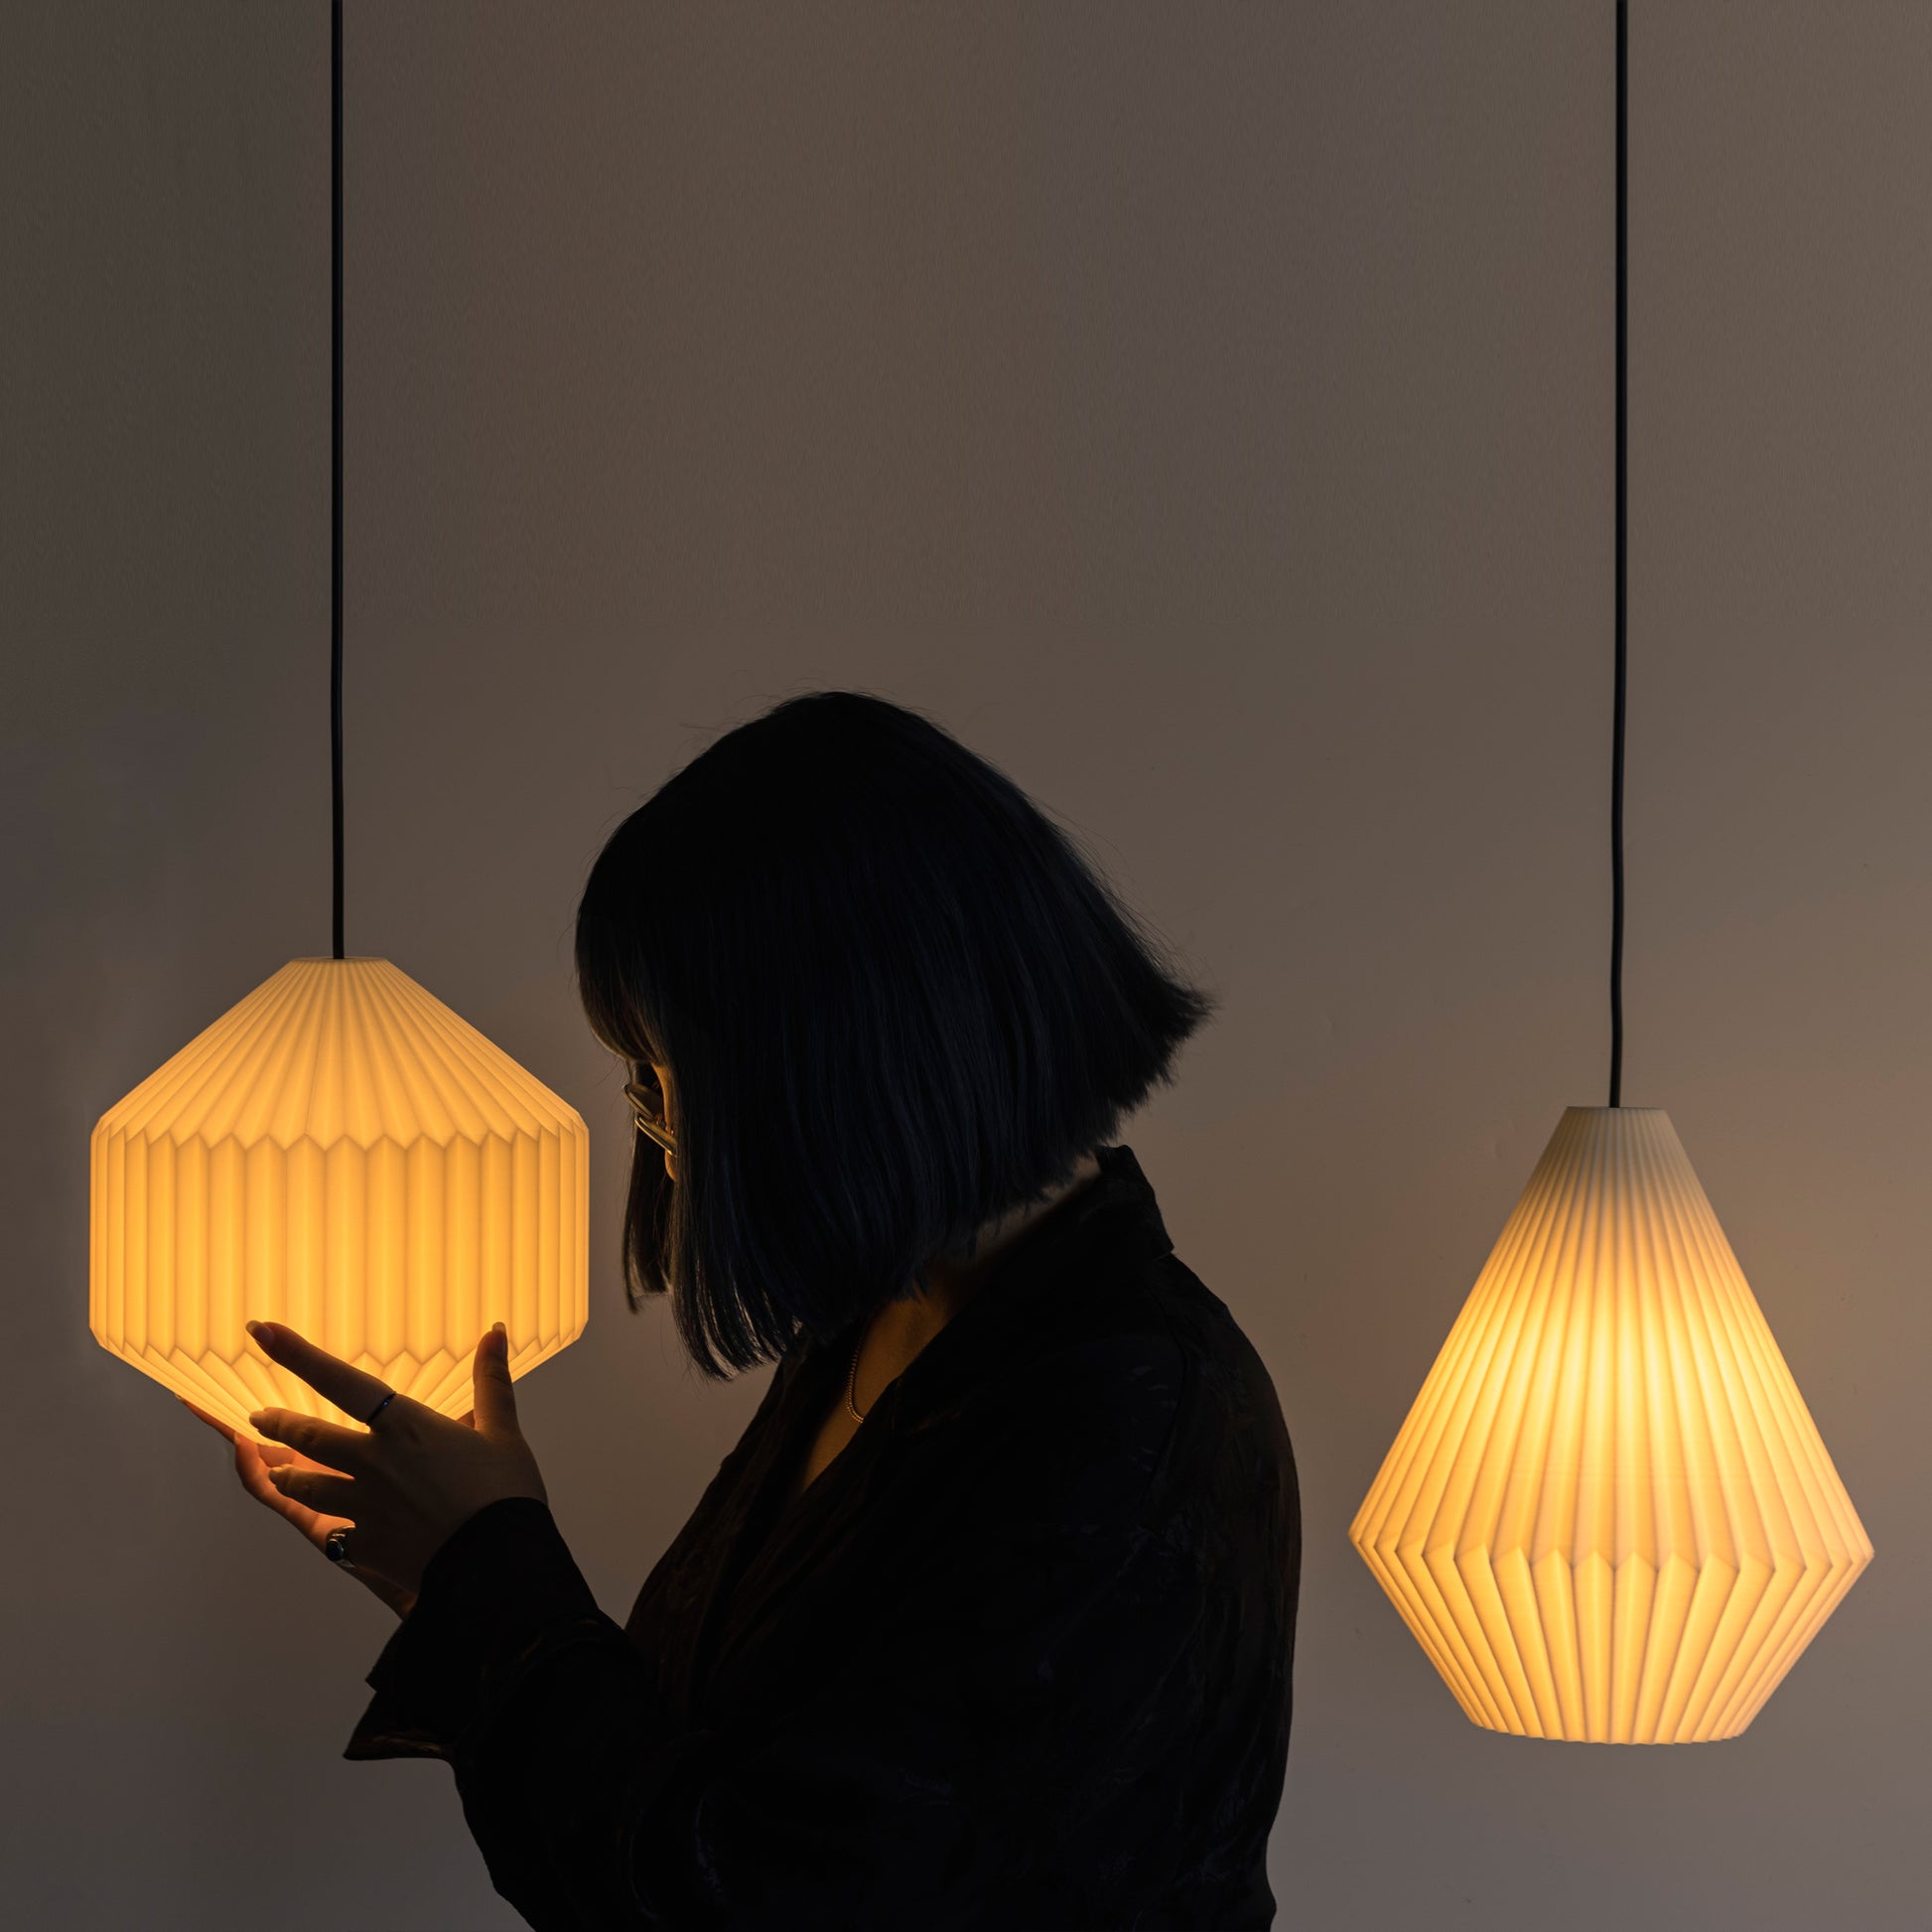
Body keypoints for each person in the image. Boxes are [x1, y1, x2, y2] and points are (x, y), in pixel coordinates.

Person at [186, 690, 1301, 1929]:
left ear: (835, 1064)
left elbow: (747, 1893)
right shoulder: (885, 1327)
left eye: (661, 1079)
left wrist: (487, 1561)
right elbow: (704, 1759)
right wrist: (443, 1572)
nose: (657, 1136)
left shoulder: (1127, 1423)